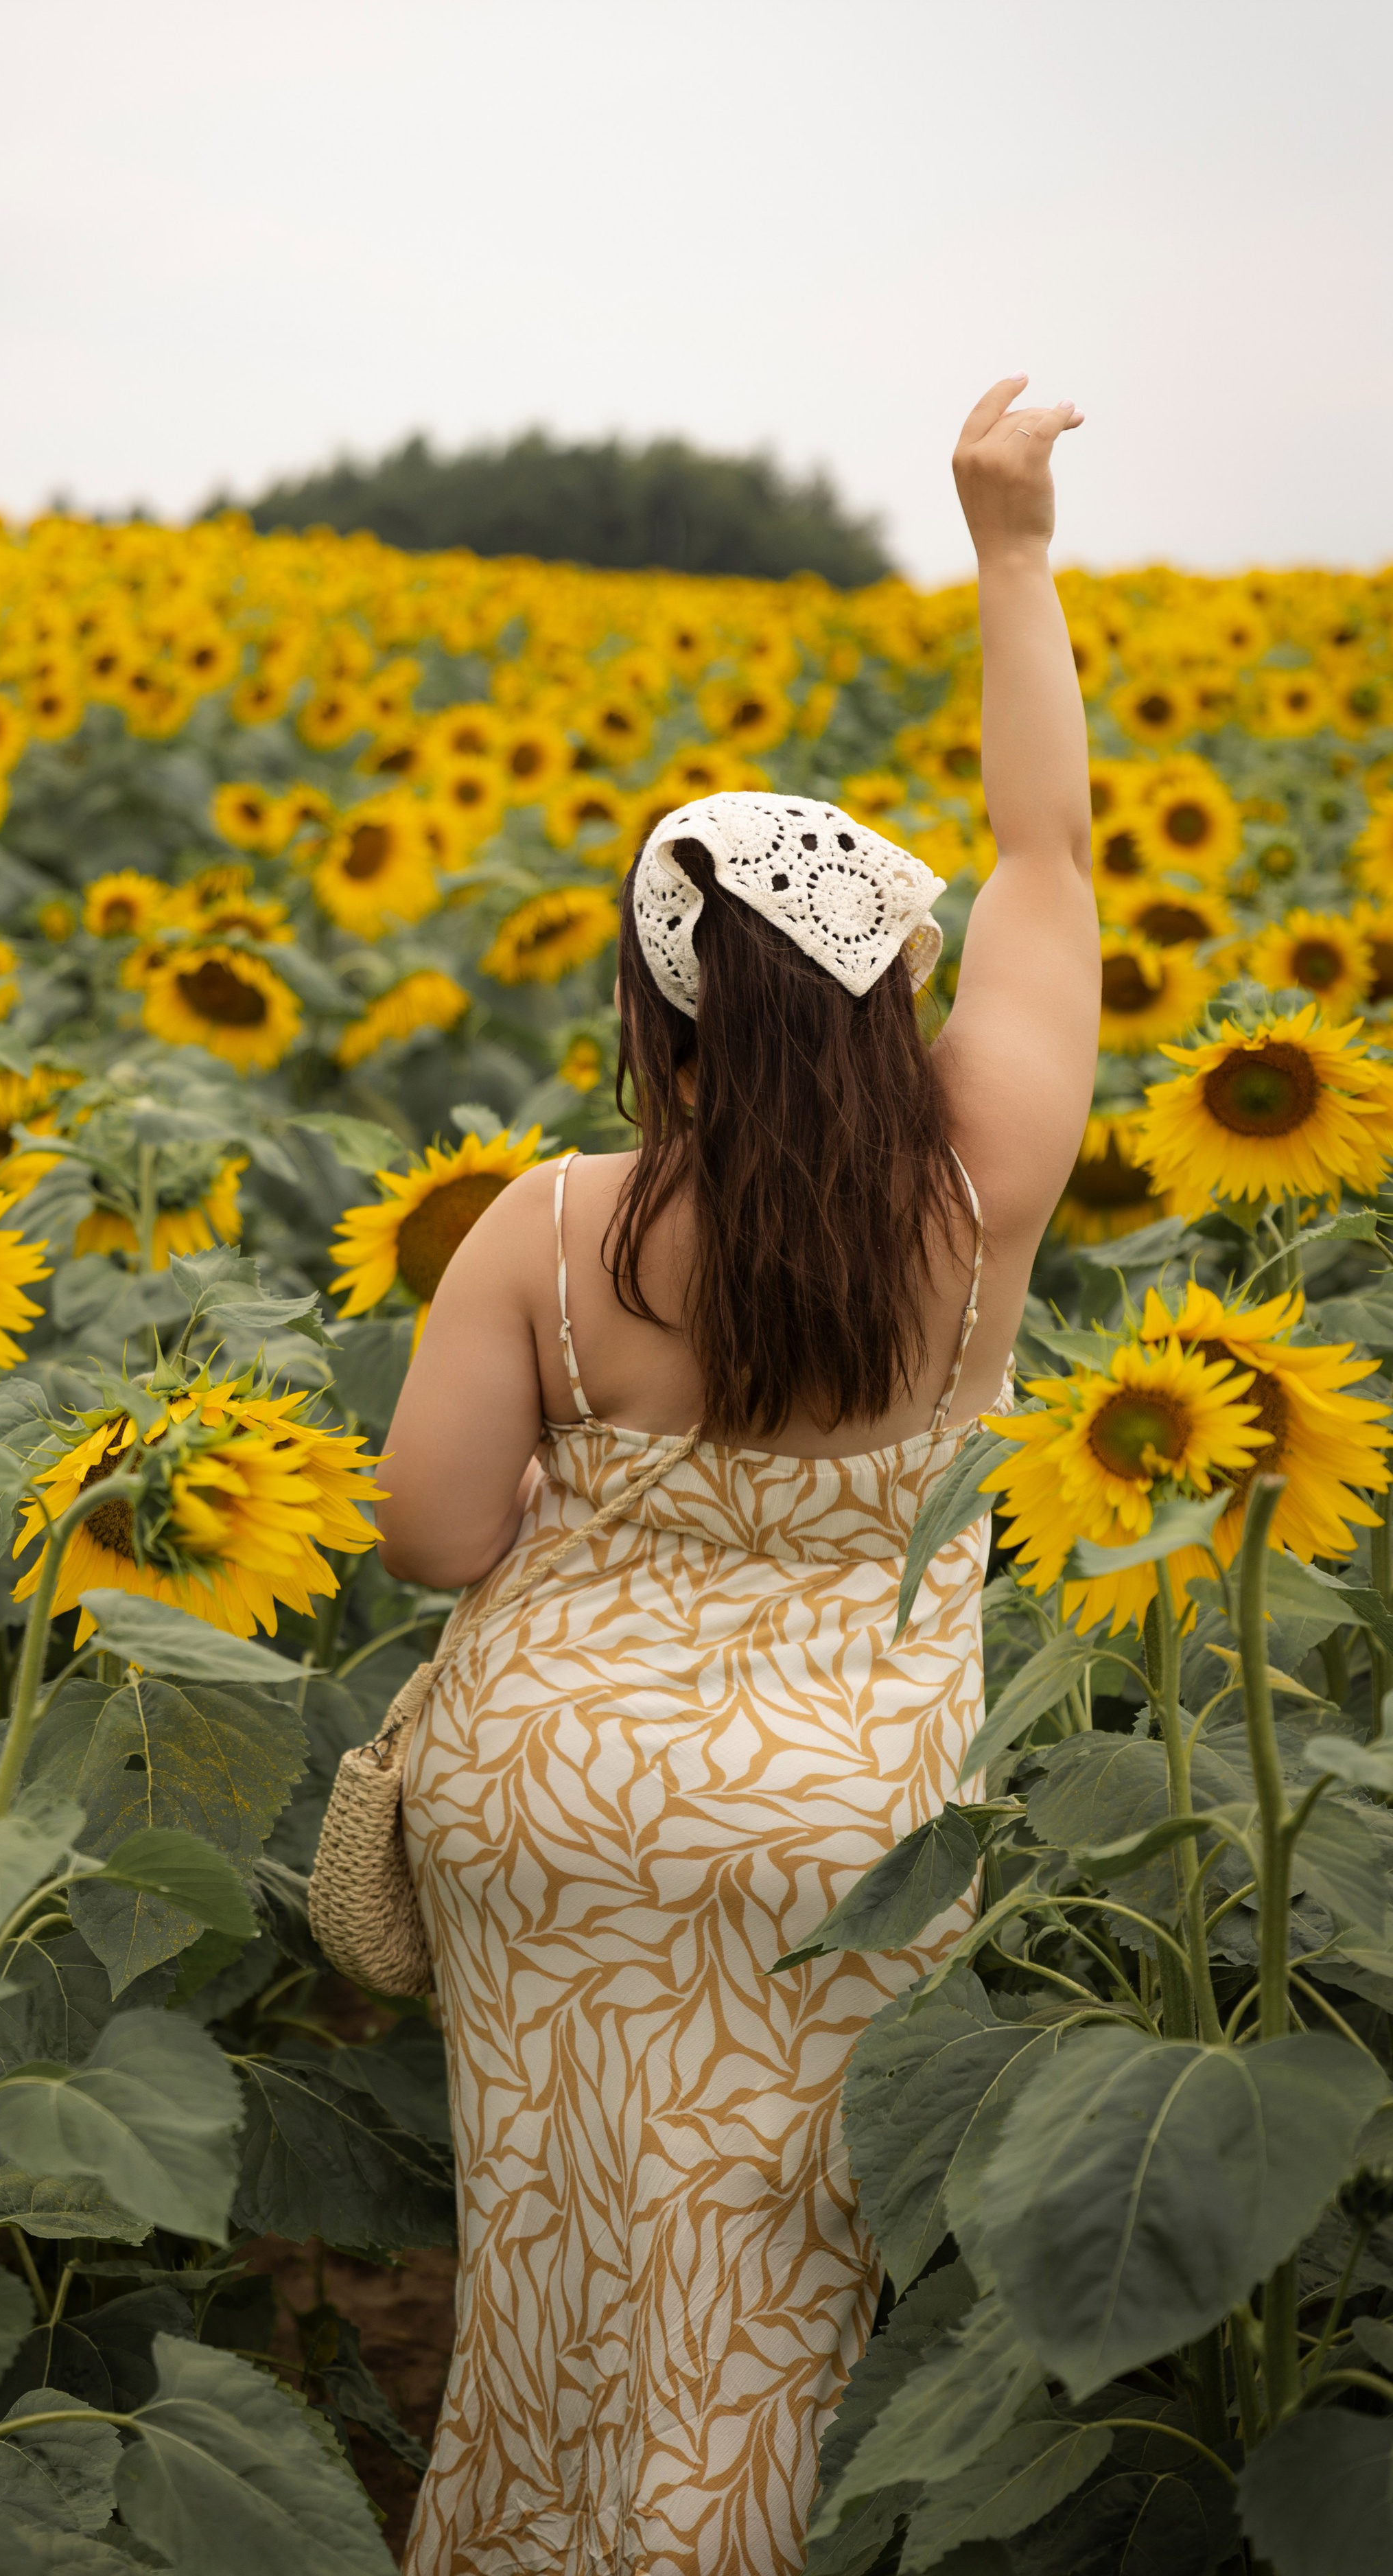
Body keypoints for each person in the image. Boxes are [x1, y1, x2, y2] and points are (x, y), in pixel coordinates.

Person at [375, 378, 1099, 2576]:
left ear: (658, 1008)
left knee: (563, 2259)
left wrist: (602, 1532)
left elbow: (430, 1531)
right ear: (892, 975)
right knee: (784, 2300)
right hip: (844, 1828)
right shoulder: (977, 1188)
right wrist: (1010, 551)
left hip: (548, 1812)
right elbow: (1052, 859)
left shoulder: (550, 1227)